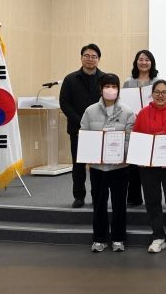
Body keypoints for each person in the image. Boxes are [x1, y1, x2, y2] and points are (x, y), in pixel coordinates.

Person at [80, 73, 136, 253]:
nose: (110, 89)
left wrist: (122, 155)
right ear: (100, 89)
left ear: (118, 89)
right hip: (98, 167)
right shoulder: (90, 111)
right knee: (99, 203)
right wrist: (89, 156)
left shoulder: (127, 111)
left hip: (120, 166)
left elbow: (129, 138)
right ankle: (99, 238)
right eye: (106, 86)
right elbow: (84, 135)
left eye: (114, 86)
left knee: (119, 203)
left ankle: (118, 238)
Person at [133, 80, 166, 253]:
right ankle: (158, 236)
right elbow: (137, 137)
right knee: (152, 200)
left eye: (164, 92)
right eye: (157, 92)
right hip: (148, 166)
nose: (160, 95)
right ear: (152, 94)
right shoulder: (143, 113)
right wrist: (140, 156)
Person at [60, 43, 106, 208]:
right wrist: (81, 122)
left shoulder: (105, 79)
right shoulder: (70, 79)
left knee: (98, 165)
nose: (90, 59)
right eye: (87, 56)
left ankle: (97, 195)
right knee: (78, 165)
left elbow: (109, 102)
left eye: (94, 56)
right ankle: (79, 196)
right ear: (81, 58)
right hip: (77, 129)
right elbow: (64, 103)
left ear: (98, 59)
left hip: (99, 129)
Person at [123, 49, 160, 207]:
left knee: (153, 164)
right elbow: (123, 104)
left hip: (154, 125)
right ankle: (134, 197)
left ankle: (153, 199)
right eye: (141, 59)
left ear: (152, 63)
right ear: (136, 62)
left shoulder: (158, 81)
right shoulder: (128, 82)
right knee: (134, 162)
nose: (144, 62)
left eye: (147, 60)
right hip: (134, 125)